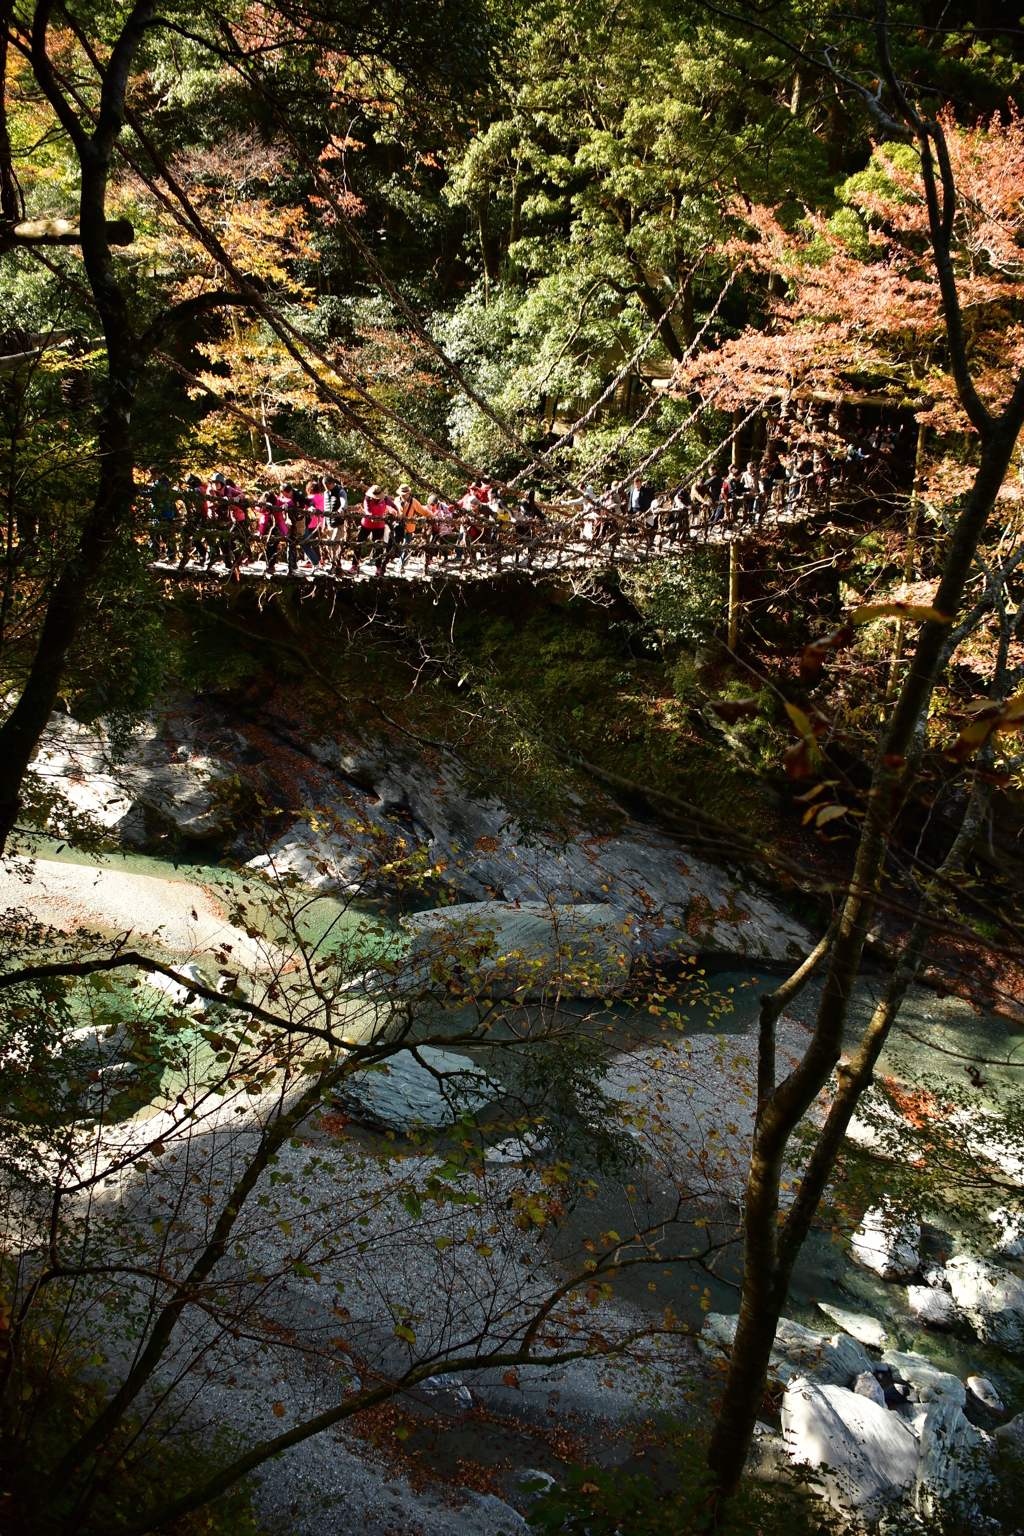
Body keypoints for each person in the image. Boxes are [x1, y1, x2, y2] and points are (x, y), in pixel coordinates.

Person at [353, 484, 395, 575]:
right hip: (366, 524)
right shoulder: (368, 498)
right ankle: (354, 565)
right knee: (359, 543)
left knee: (378, 546)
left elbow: (393, 505)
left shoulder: (385, 499)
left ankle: (378, 567)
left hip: (379, 526)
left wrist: (398, 514)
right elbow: (367, 509)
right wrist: (370, 516)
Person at [392, 483, 428, 569]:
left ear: (408, 493)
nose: (403, 496)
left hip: (409, 527)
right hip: (399, 527)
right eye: (402, 494)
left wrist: (432, 516)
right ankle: (402, 559)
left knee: (406, 545)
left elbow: (423, 511)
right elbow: (393, 511)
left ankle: (400, 564)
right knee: (395, 544)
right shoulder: (396, 500)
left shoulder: (413, 501)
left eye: (405, 494)